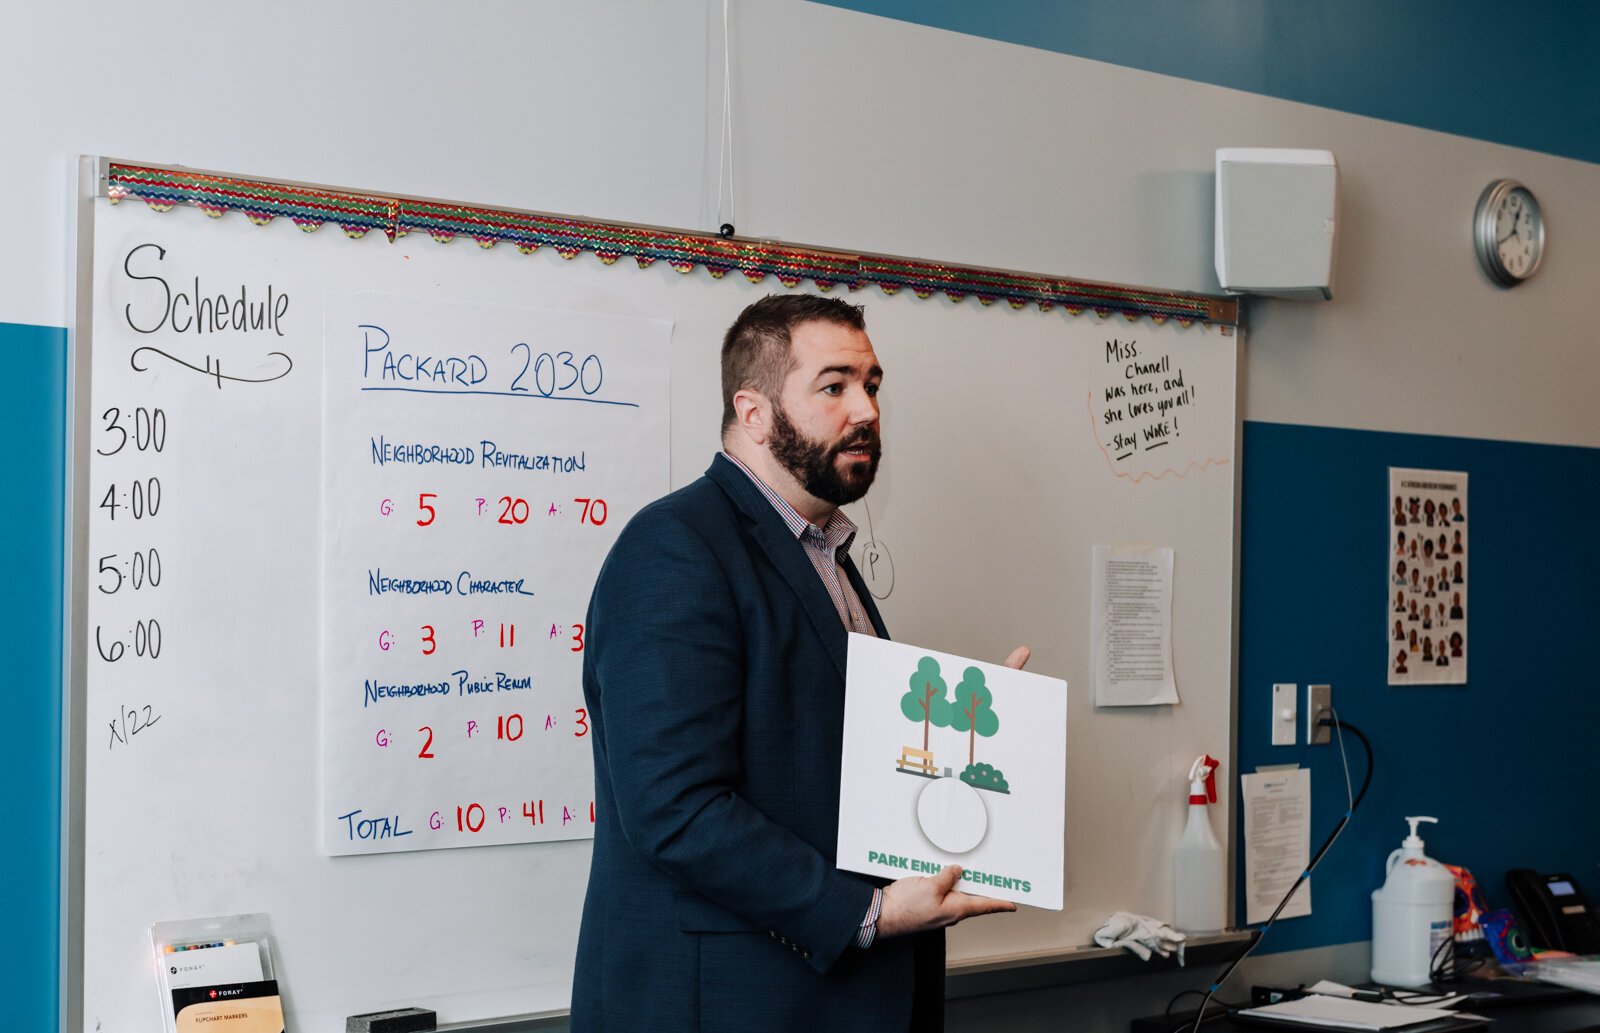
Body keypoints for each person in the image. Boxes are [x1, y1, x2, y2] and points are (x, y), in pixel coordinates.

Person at [571, 294, 1024, 1033]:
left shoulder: (827, 558)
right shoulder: (674, 548)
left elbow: (825, 763)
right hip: (730, 1006)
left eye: (872, 384)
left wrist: (967, 736)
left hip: (847, 998)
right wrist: (867, 911)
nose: (867, 409)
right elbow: (673, 808)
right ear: (752, 413)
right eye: (834, 385)